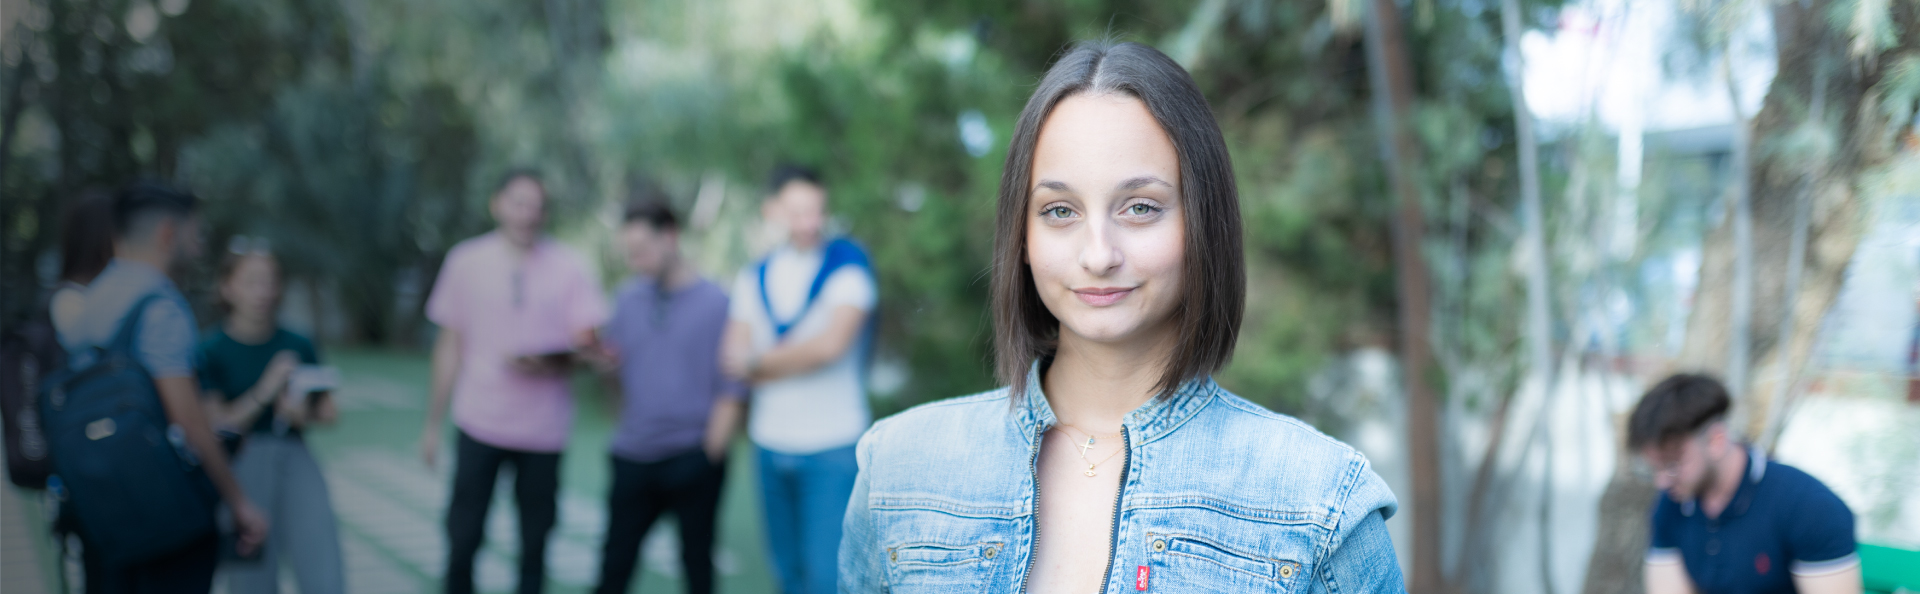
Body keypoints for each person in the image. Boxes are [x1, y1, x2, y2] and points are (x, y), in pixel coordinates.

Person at [838, 41, 1403, 594]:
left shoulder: (1319, 501)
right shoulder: (898, 472)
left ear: (1203, 224)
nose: (1099, 254)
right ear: (1024, 236)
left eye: (1140, 208)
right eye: (1060, 211)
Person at [56, 182, 269, 592]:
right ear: (169, 233)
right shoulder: (161, 307)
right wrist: (239, 502)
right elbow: (188, 420)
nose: (200, 245)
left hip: (97, 504)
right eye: (197, 233)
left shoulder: (91, 299)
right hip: (161, 514)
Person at [419, 170, 609, 594]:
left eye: (537, 206)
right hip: (479, 421)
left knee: (535, 541)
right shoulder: (465, 261)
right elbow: (449, 345)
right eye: (519, 203)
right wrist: (432, 424)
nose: (528, 214)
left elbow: (590, 347)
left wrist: (558, 362)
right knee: (463, 535)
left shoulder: (570, 266)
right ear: (497, 204)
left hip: (543, 431)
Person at [721, 164, 875, 594]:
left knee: (828, 578)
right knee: (786, 574)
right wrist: (771, 361)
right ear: (772, 210)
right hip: (769, 442)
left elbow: (830, 348)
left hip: (832, 444)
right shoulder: (755, 275)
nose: (808, 222)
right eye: (796, 211)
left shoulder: (848, 266)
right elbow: (731, 358)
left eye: (816, 211)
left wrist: (758, 363)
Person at [586, 192, 744, 594]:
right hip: (632, 456)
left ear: (669, 237)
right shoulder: (625, 299)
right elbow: (615, 382)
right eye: (629, 252)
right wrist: (604, 370)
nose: (634, 260)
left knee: (697, 567)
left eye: (641, 249)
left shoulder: (718, 302)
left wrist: (710, 454)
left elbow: (734, 385)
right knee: (613, 567)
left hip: (693, 457)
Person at [196, 243, 344, 594]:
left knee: (322, 561)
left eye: (269, 282)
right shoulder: (211, 349)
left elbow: (329, 411)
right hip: (239, 462)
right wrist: (267, 388)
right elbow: (219, 422)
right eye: (251, 282)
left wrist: (301, 414)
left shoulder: (298, 341)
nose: (262, 292)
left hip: (294, 455)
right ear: (227, 287)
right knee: (250, 575)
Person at [1631, 374, 1862, 594]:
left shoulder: (1810, 507)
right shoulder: (1672, 503)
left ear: (1716, 441)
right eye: (1654, 468)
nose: (1661, 481)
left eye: (1672, 465)